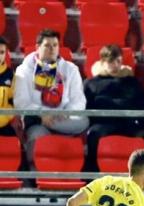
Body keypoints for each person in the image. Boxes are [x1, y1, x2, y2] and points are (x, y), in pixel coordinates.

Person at [14, 29, 89, 170]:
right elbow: (21, 102)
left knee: (84, 120)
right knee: (37, 138)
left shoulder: (71, 69)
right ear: (37, 47)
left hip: (64, 119)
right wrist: (42, 114)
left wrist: (62, 114)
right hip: (37, 121)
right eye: (47, 46)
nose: (52, 49)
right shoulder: (23, 70)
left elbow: (79, 101)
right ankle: (37, 182)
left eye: (55, 45)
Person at [83, 44, 144, 171]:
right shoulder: (91, 84)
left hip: (129, 123)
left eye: (118, 61)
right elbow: (87, 108)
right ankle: (92, 174)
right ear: (102, 62)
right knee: (93, 134)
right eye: (110, 62)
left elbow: (142, 105)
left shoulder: (132, 82)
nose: (115, 65)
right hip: (103, 123)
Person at [0, 37, 16, 137]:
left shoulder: (11, 74)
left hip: (4, 122)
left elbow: (14, 102)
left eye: (1, 52)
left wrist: (7, 116)